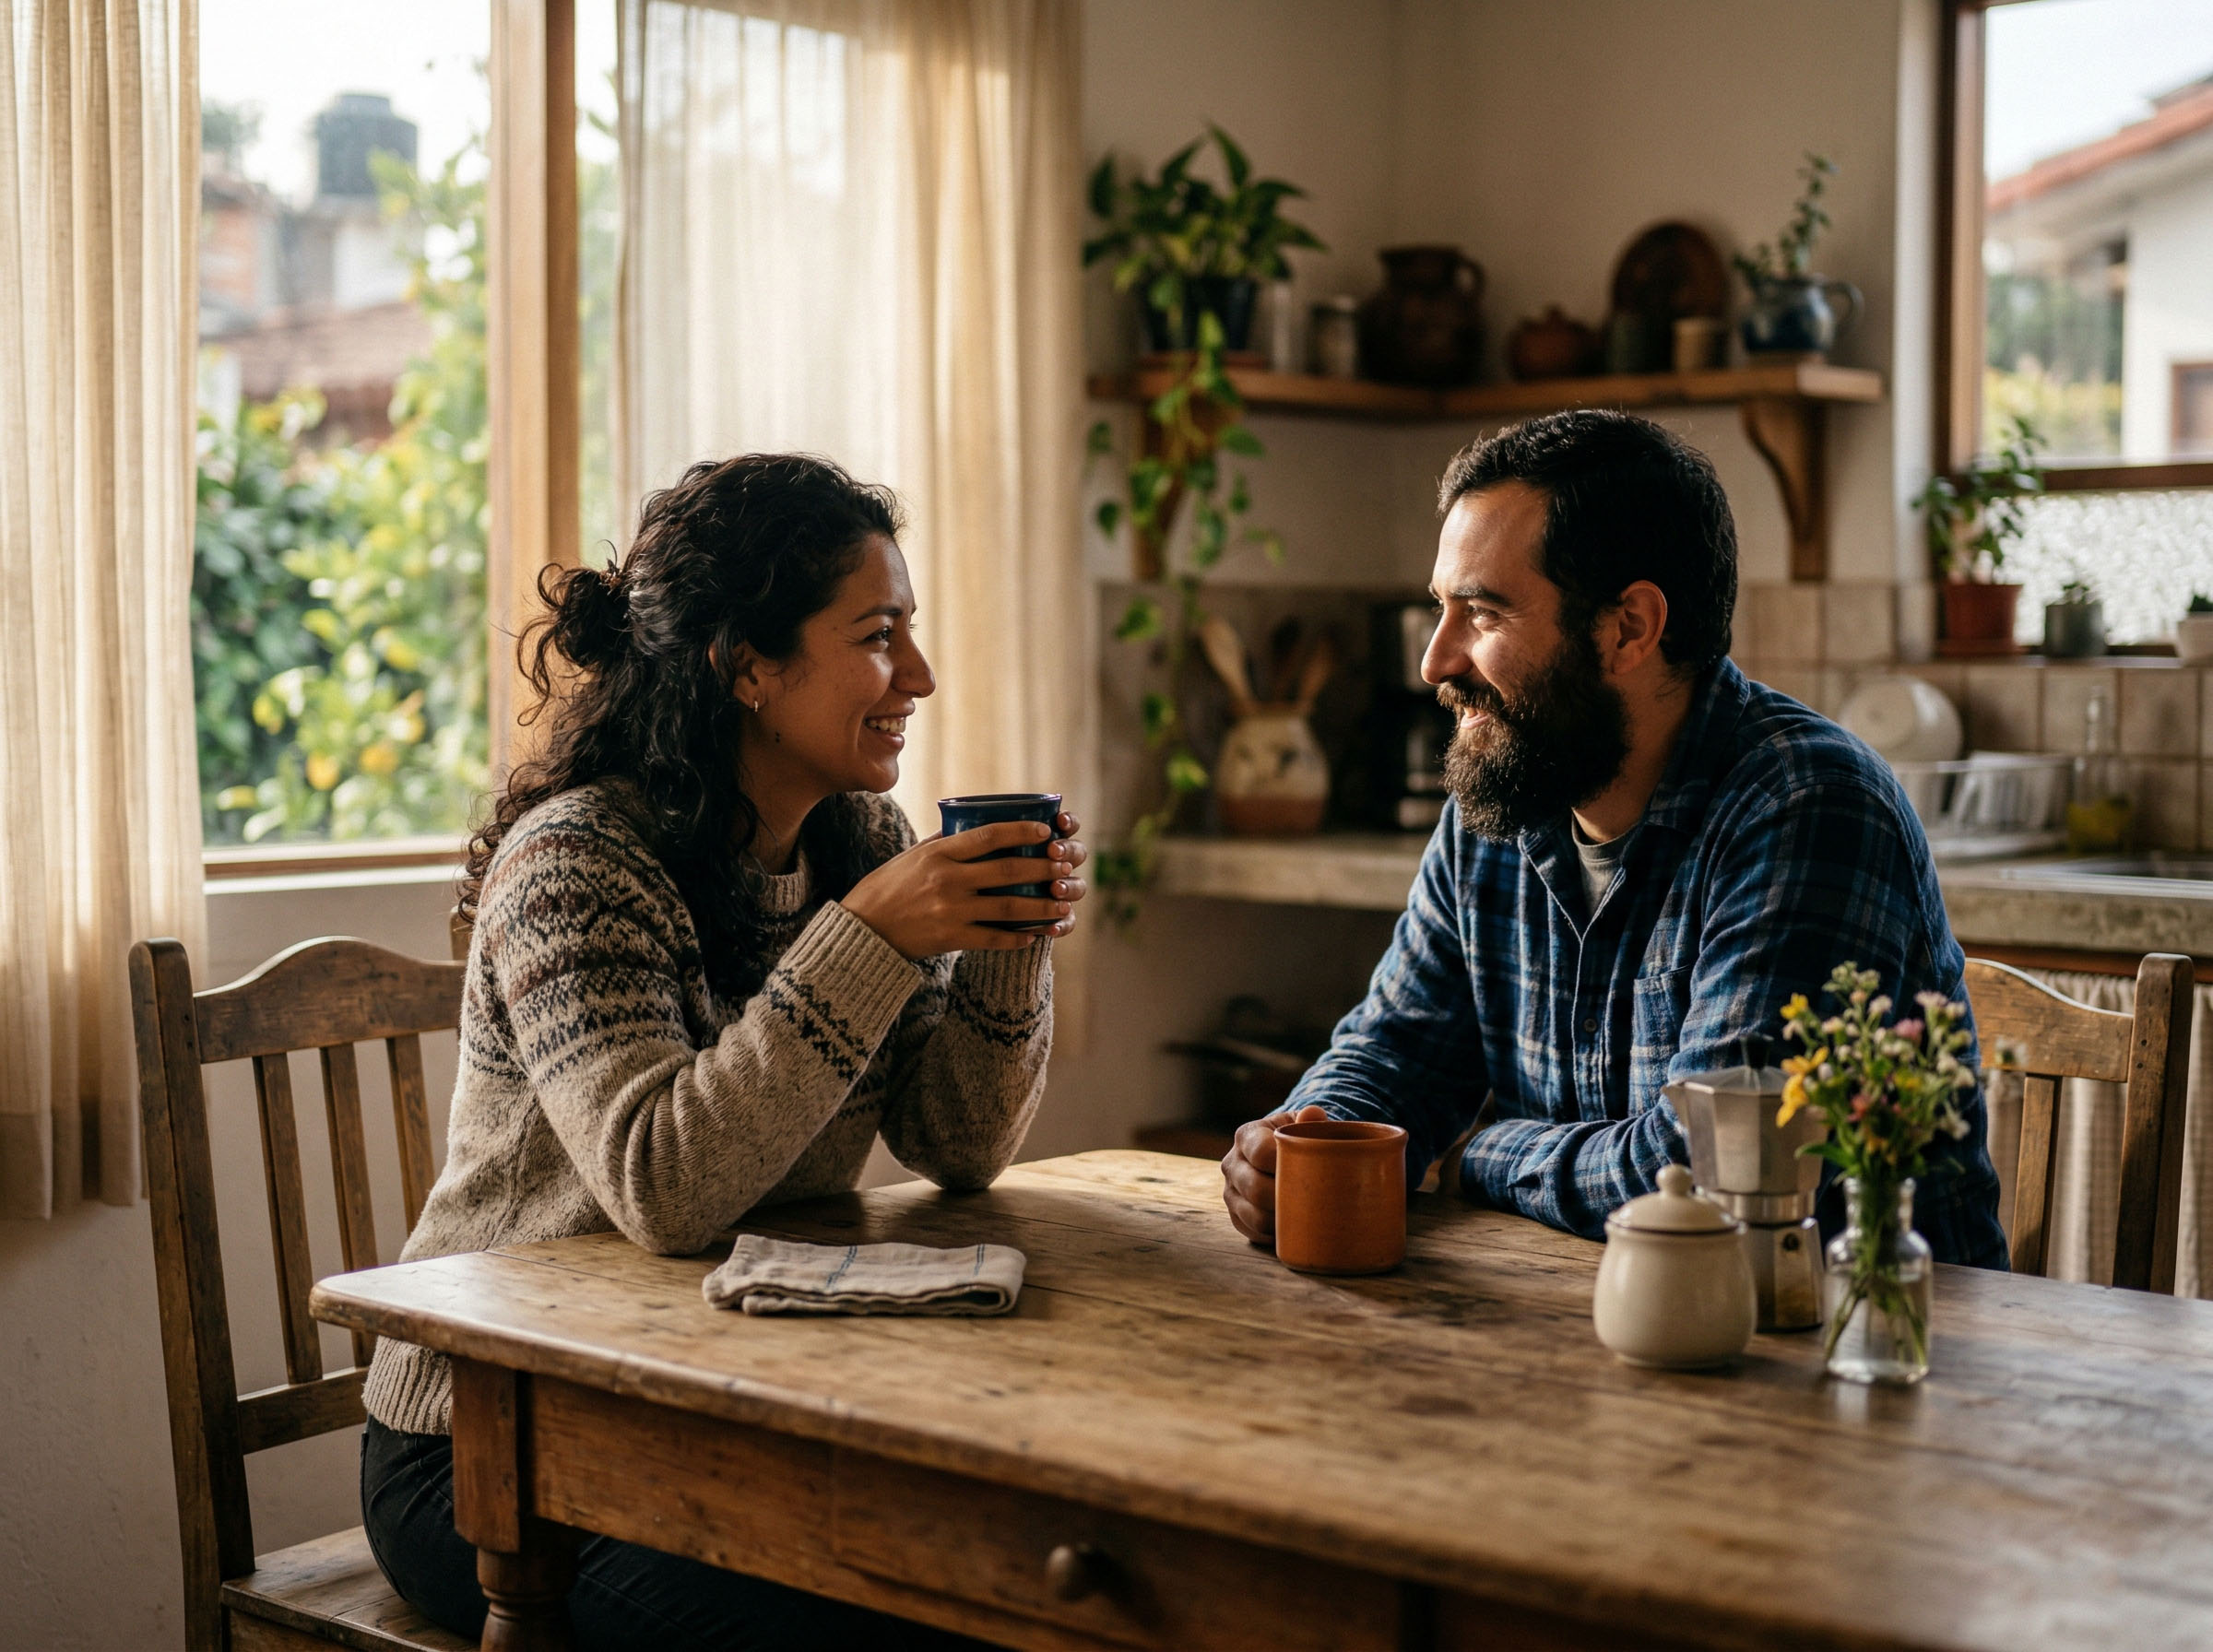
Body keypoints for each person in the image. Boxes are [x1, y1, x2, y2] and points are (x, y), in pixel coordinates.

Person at [361, 453, 1082, 1650]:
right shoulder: (574, 869)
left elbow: (957, 1147)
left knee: (1001, 1583)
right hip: (489, 1455)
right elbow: (663, 1183)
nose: (921, 677)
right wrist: (867, 938)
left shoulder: (857, 840)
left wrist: (1007, 935)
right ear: (746, 666)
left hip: (715, 1409)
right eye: (878, 636)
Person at [1220, 410, 2006, 1268]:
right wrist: (1306, 1136)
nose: (1435, 662)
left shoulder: (1809, 807)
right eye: (1440, 609)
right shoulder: (1508, 789)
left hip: (1857, 1352)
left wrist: (1476, 1154)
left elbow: (1711, 1178)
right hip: (1587, 1334)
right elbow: (1397, 1046)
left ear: (1629, 627)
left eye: (1480, 613)